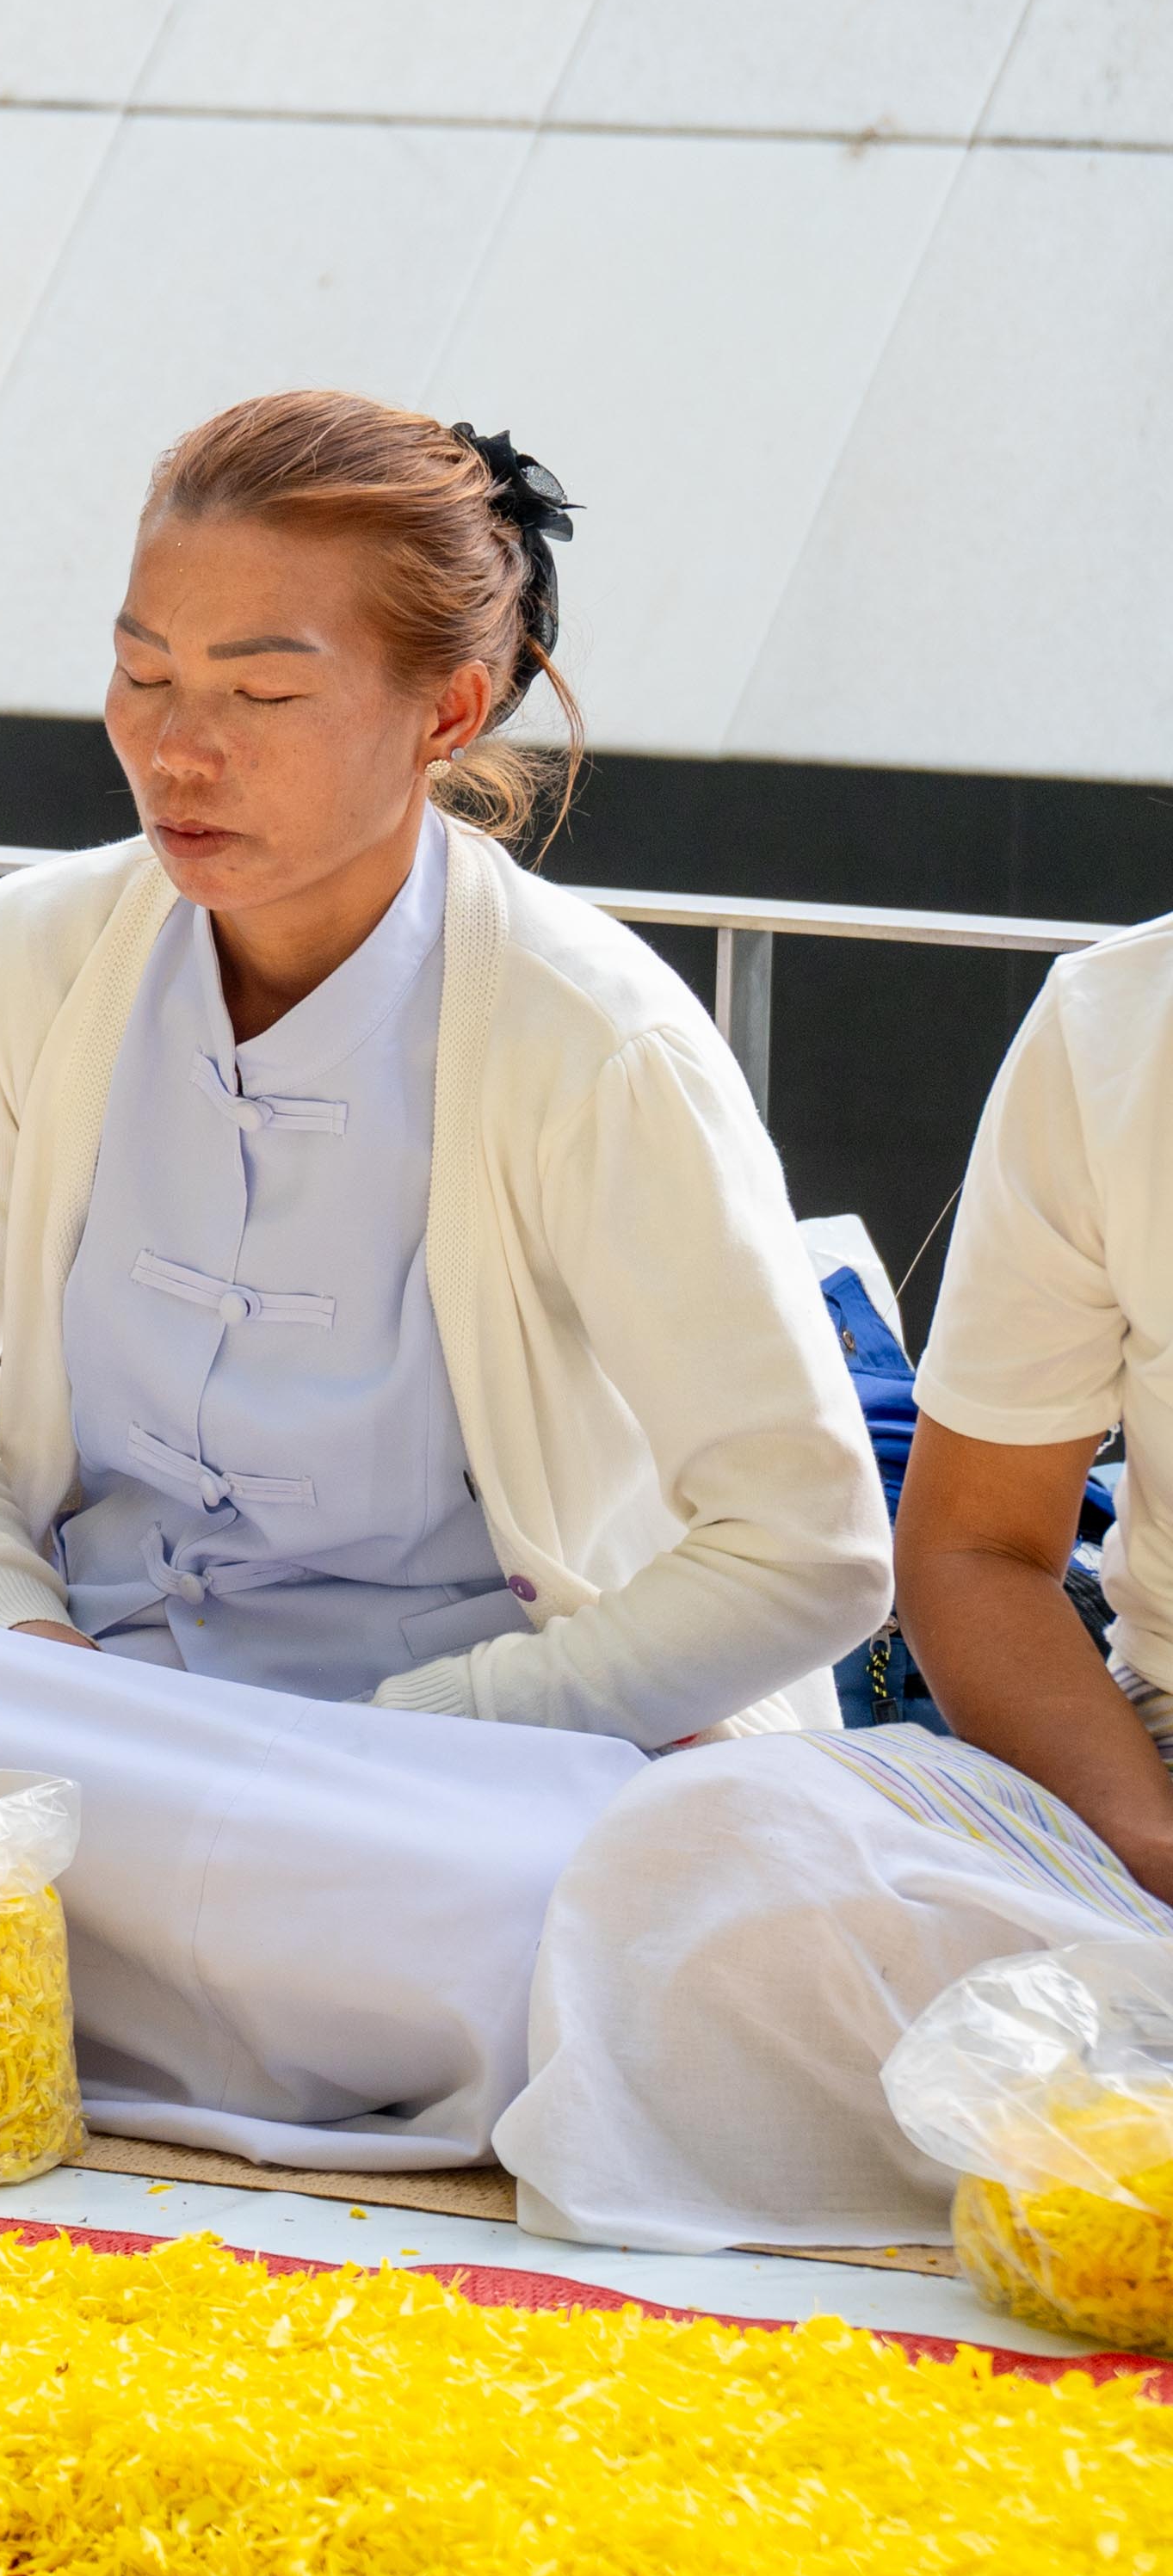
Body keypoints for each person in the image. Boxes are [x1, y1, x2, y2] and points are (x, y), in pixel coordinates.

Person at [0, 392, 886, 2178]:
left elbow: (812, 1545)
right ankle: (151, 1947)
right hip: (57, 1697)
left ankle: (12, 1924)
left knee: (558, 1905)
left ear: (448, 708)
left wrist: (421, 1732)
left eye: (262, 693)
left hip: (409, 1775)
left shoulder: (591, 1041)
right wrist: (25, 1658)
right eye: (144, 676)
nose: (177, 750)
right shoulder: (24, 956)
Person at [502, 912, 1171, 2249]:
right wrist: (1149, 1844)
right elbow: (976, 1553)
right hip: (1146, 1810)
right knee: (710, 1837)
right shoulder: (1119, 1024)